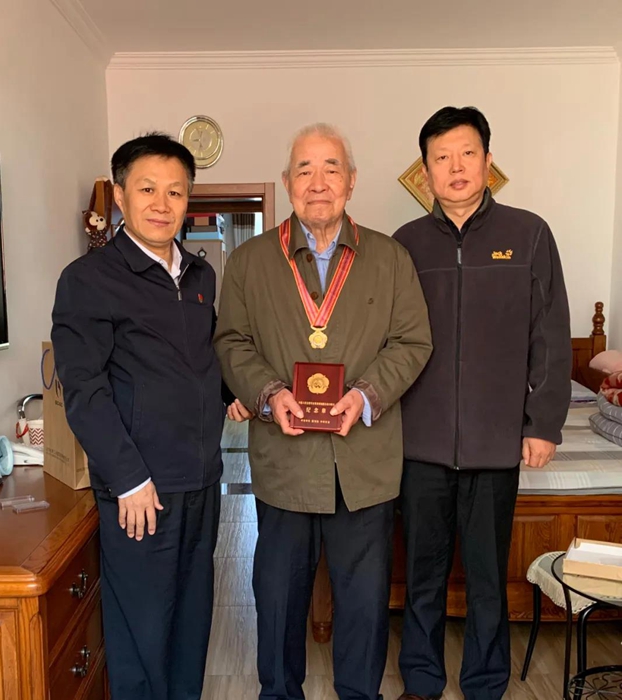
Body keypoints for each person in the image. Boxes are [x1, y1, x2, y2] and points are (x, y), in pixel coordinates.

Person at [214, 123, 433, 700]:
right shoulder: (250, 262)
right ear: (288, 182)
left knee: (364, 603)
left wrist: (365, 395)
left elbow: (413, 342)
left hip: (365, 465)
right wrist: (269, 392)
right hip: (284, 463)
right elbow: (232, 341)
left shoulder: (391, 258)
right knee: (278, 597)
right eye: (304, 170)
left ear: (351, 181)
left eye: (331, 168)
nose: (318, 182)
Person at [51, 132, 246, 700]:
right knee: (142, 631)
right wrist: (129, 479)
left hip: (202, 479)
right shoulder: (89, 279)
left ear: (189, 200)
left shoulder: (201, 277)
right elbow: (84, 390)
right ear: (119, 196)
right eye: (147, 189)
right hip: (141, 490)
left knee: (191, 619)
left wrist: (231, 390)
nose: (162, 204)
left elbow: (200, 356)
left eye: (175, 192)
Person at [393, 106, 572, 700]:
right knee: (423, 574)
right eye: (441, 158)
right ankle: (421, 680)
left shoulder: (529, 234)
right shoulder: (406, 243)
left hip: (496, 445)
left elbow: (550, 336)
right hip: (420, 444)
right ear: (426, 171)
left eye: (467, 153)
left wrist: (543, 423)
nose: (456, 167)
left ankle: (486, 683)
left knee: (488, 577)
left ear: (488, 160)